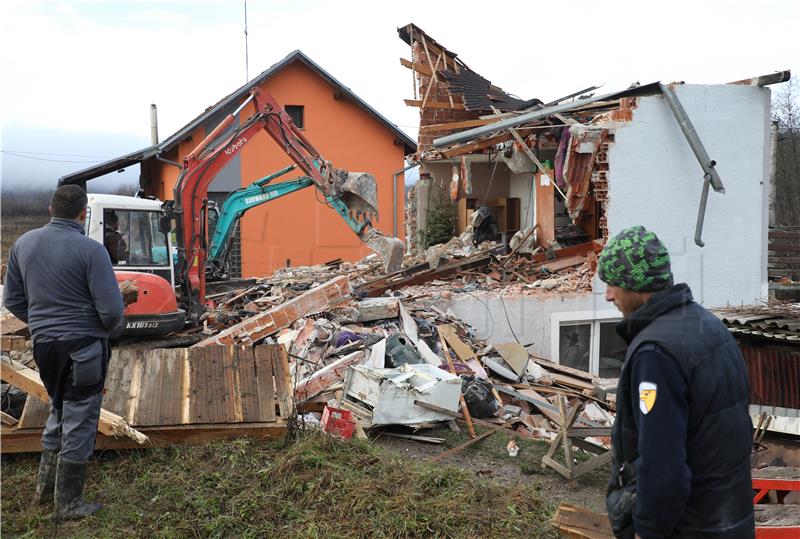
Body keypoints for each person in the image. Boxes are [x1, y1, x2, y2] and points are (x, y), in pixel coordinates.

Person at [598, 225, 755, 539]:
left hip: (689, 527)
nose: (608, 295)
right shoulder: (708, 325)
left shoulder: (655, 355)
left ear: (639, 285)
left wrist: (648, 530)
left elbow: (662, 466)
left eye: (614, 283)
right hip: (730, 519)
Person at [3, 185, 124, 522]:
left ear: (49, 208)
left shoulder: (23, 244)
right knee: (81, 417)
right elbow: (112, 311)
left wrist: (42, 323)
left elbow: (12, 300)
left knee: (58, 407)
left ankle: (44, 492)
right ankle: (68, 505)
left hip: (45, 348)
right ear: (83, 213)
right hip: (83, 348)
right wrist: (105, 330)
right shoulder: (91, 251)